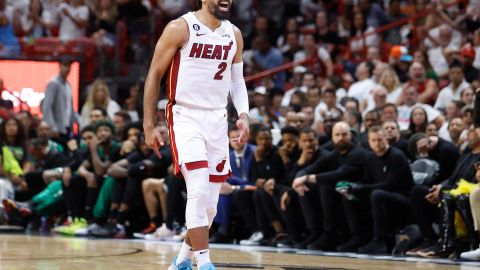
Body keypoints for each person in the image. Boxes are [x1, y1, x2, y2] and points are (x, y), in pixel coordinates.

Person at [142, 1, 249, 269]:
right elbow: (154, 74)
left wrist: (244, 114)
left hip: (217, 118)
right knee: (198, 189)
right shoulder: (180, 27)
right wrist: (148, 124)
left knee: (210, 206)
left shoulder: (234, 34)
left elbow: (237, 80)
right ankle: (205, 263)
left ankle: (182, 260)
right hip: (185, 116)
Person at [42, 60, 77, 147]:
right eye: (65, 65)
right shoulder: (53, 83)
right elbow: (47, 106)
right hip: (57, 128)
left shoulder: (68, 85)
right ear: (60, 66)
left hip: (67, 128)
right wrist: (53, 127)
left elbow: (70, 108)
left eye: (69, 66)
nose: (67, 69)